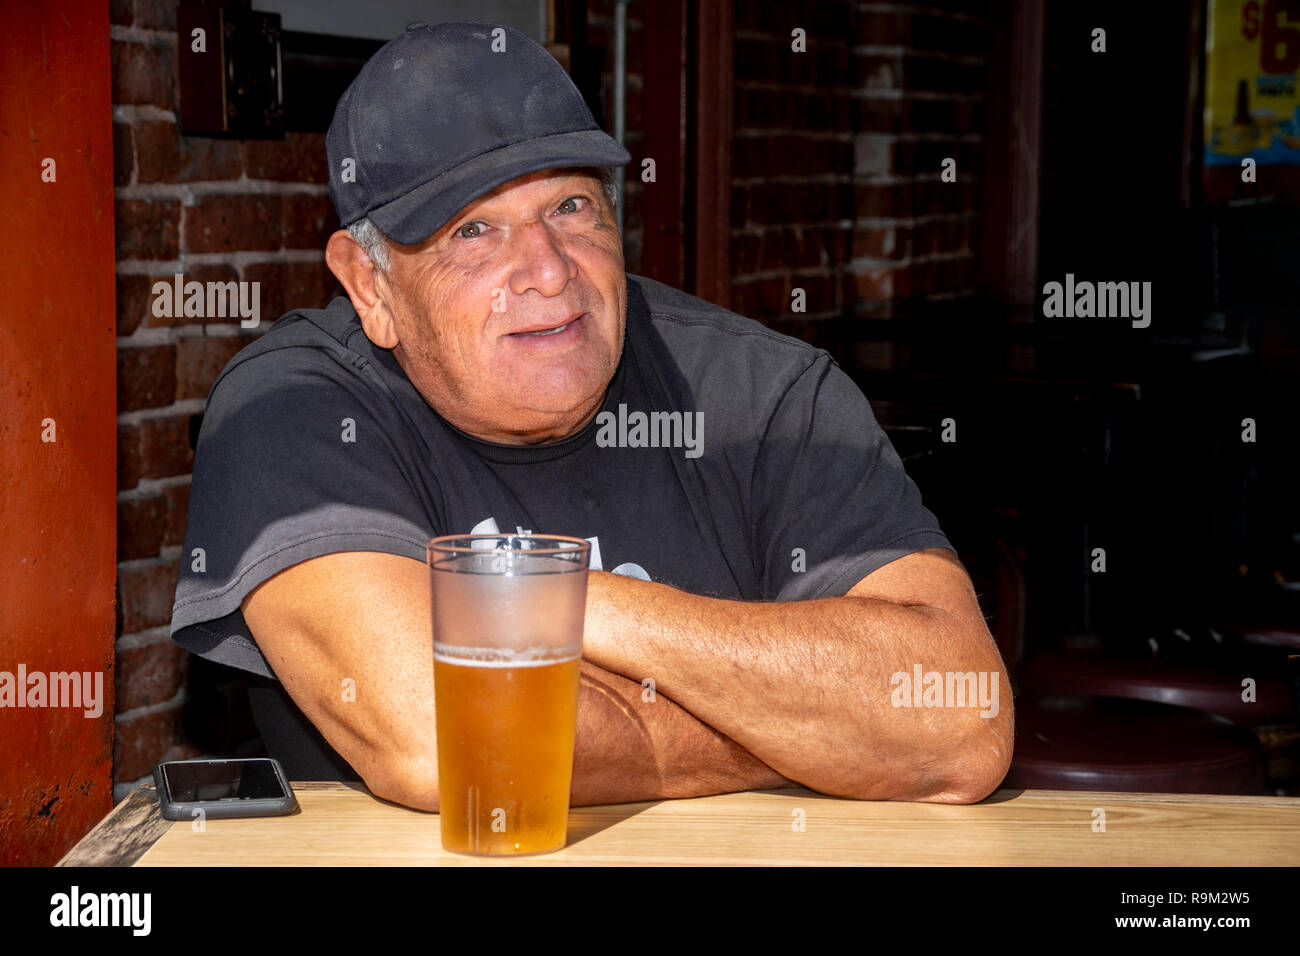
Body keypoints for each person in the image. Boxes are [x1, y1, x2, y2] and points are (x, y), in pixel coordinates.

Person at [169, 20, 1013, 810]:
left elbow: (959, 720)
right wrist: (816, 733)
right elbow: (454, 742)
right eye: (473, 231)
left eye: (571, 207)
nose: (546, 270)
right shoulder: (292, 410)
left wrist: (570, 603)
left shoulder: (766, 390)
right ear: (368, 285)